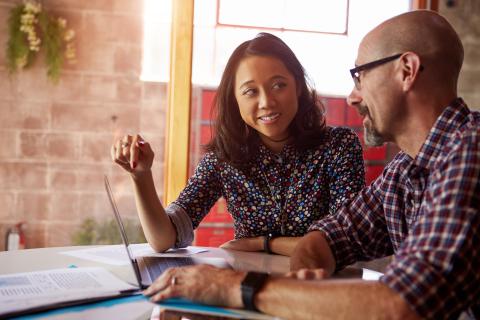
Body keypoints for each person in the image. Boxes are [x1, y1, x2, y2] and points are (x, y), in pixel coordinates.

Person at [142, 10, 480, 320]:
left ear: (406, 70)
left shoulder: (471, 149)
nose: (352, 97)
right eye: (249, 91)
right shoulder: (405, 171)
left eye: (360, 77)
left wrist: (233, 287)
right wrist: (299, 292)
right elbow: (329, 238)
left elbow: (405, 304)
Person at [111, 32, 365, 256]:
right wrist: (141, 176)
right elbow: (165, 238)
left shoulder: (338, 146)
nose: (266, 101)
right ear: (235, 101)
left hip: (320, 293)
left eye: (279, 85)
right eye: (250, 91)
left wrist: (261, 244)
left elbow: (344, 242)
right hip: (247, 291)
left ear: (298, 86)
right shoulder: (224, 159)